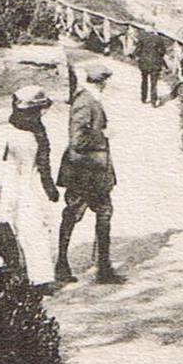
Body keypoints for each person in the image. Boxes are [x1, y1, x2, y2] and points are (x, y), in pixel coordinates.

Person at [55, 61, 125, 284]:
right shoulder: (86, 102)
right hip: (84, 171)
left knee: (99, 212)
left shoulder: (88, 99)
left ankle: (100, 266)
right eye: (105, 82)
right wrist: (104, 136)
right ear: (102, 82)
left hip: (92, 171)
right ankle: (70, 265)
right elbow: (77, 139)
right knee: (76, 214)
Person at [0, 86, 61, 292]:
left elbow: (43, 164)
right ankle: (13, 272)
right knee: (7, 227)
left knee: (34, 228)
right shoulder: (8, 132)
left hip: (28, 184)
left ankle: (39, 278)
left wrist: (48, 188)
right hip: (10, 185)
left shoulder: (38, 132)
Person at [134, 25, 166, 106]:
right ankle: (153, 101)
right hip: (155, 63)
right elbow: (163, 52)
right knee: (154, 83)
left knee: (144, 80)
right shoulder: (159, 39)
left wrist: (138, 57)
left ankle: (143, 98)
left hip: (144, 62)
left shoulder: (142, 38)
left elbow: (136, 51)